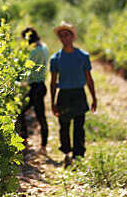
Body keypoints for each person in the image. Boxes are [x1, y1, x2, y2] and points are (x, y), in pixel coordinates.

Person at [49, 21, 97, 167]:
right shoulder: (55, 59)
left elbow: (89, 79)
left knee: (79, 126)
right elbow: (52, 82)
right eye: (62, 36)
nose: (65, 38)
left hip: (78, 94)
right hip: (63, 94)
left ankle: (78, 155)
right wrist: (52, 102)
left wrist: (94, 98)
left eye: (67, 35)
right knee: (64, 125)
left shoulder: (83, 56)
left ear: (72, 36)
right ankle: (66, 153)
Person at [18, 27, 49, 154]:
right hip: (40, 85)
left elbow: (26, 70)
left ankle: (29, 143)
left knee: (23, 113)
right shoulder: (44, 48)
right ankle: (42, 145)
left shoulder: (33, 51)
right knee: (40, 116)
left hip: (35, 86)